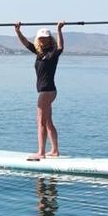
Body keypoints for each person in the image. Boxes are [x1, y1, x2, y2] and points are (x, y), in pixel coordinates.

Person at [14, 20, 65, 159]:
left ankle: (41, 153)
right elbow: (25, 43)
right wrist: (18, 31)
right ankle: (54, 151)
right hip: (47, 91)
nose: (43, 40)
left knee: (40, 121)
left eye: (45, 38)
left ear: (50, 39)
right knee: (47, 122)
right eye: (40, 38)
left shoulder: (53, 53)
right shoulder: (39, 52)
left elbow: (60, 47)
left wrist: (59, 29)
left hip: (47, 91)